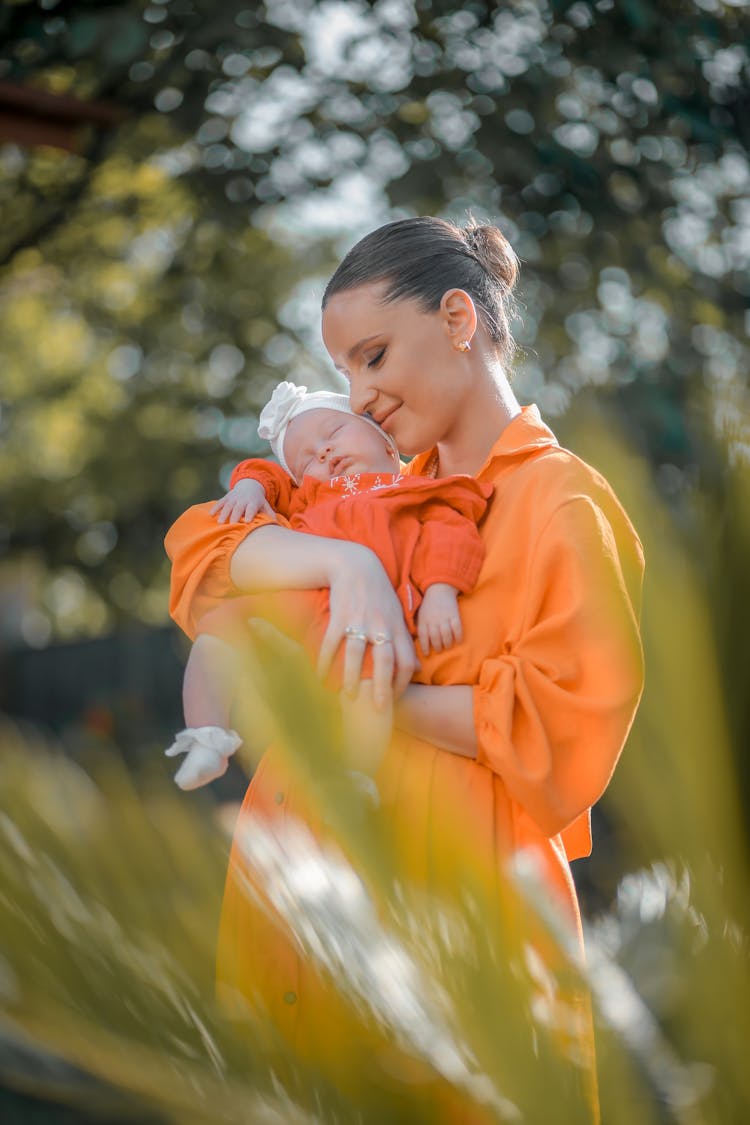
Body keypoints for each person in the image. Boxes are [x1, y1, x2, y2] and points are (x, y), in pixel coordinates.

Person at [165, 216, 644, 1116]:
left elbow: (553, 729)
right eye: (344, 370)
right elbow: (202, 554)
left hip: (461, 913)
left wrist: (357, 692)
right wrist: (344, 568)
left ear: (459, 317)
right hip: (291, 889)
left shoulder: (562, 502)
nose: (359, 394)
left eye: (374, 356)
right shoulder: (359, 486)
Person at [165, 379, 491, 793]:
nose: (323, 452)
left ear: (389, 444)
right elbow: (269, 476)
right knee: (216, 635)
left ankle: (356, 776)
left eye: (334, 432)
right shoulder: (311, 497)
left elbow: (452, 535)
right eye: (306, 461)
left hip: (369, 618)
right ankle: (208, 736)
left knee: (367, 682)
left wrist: (442, 590)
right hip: (296, 604)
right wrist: (249, 485)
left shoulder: (420, 495)